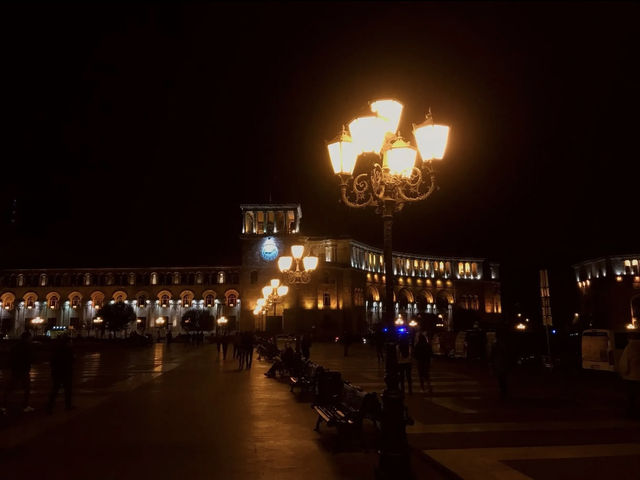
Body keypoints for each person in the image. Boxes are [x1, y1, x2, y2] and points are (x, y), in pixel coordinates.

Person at [1, 331, 34, 414]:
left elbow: (11, 358)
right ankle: (25, 406)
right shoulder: (27, 347)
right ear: (27, 338)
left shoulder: (16, 346)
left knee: (10, 388)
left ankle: (3, 405)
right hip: (23, 370)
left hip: (16, 370)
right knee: (26, 388)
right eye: (30, 337)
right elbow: (29, 359)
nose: (31, 339)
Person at [47, 333, 75, 413]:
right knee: (67, 391)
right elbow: (71, 361)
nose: (72, 343)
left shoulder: (57, 350)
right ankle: (67, 406)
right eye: (71, 342)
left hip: (57, 373)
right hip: (65, 373)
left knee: (55, 390)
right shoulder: (68, 351)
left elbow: (52, 361)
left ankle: (50, 406)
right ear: (67, 343)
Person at [619, 337, 640, 419]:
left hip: (631, 377)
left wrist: (623, 372)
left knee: (631, 397)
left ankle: (631, 414)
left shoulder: (630, 347)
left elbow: (624, 362)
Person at [490, 329, 511, 400]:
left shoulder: (497, 344)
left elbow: (493, 354)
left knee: (502, 378)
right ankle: (504, 391)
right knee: (502, 378)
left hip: (500, 362)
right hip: (500, 363)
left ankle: (503, 391)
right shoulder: (500, 344)